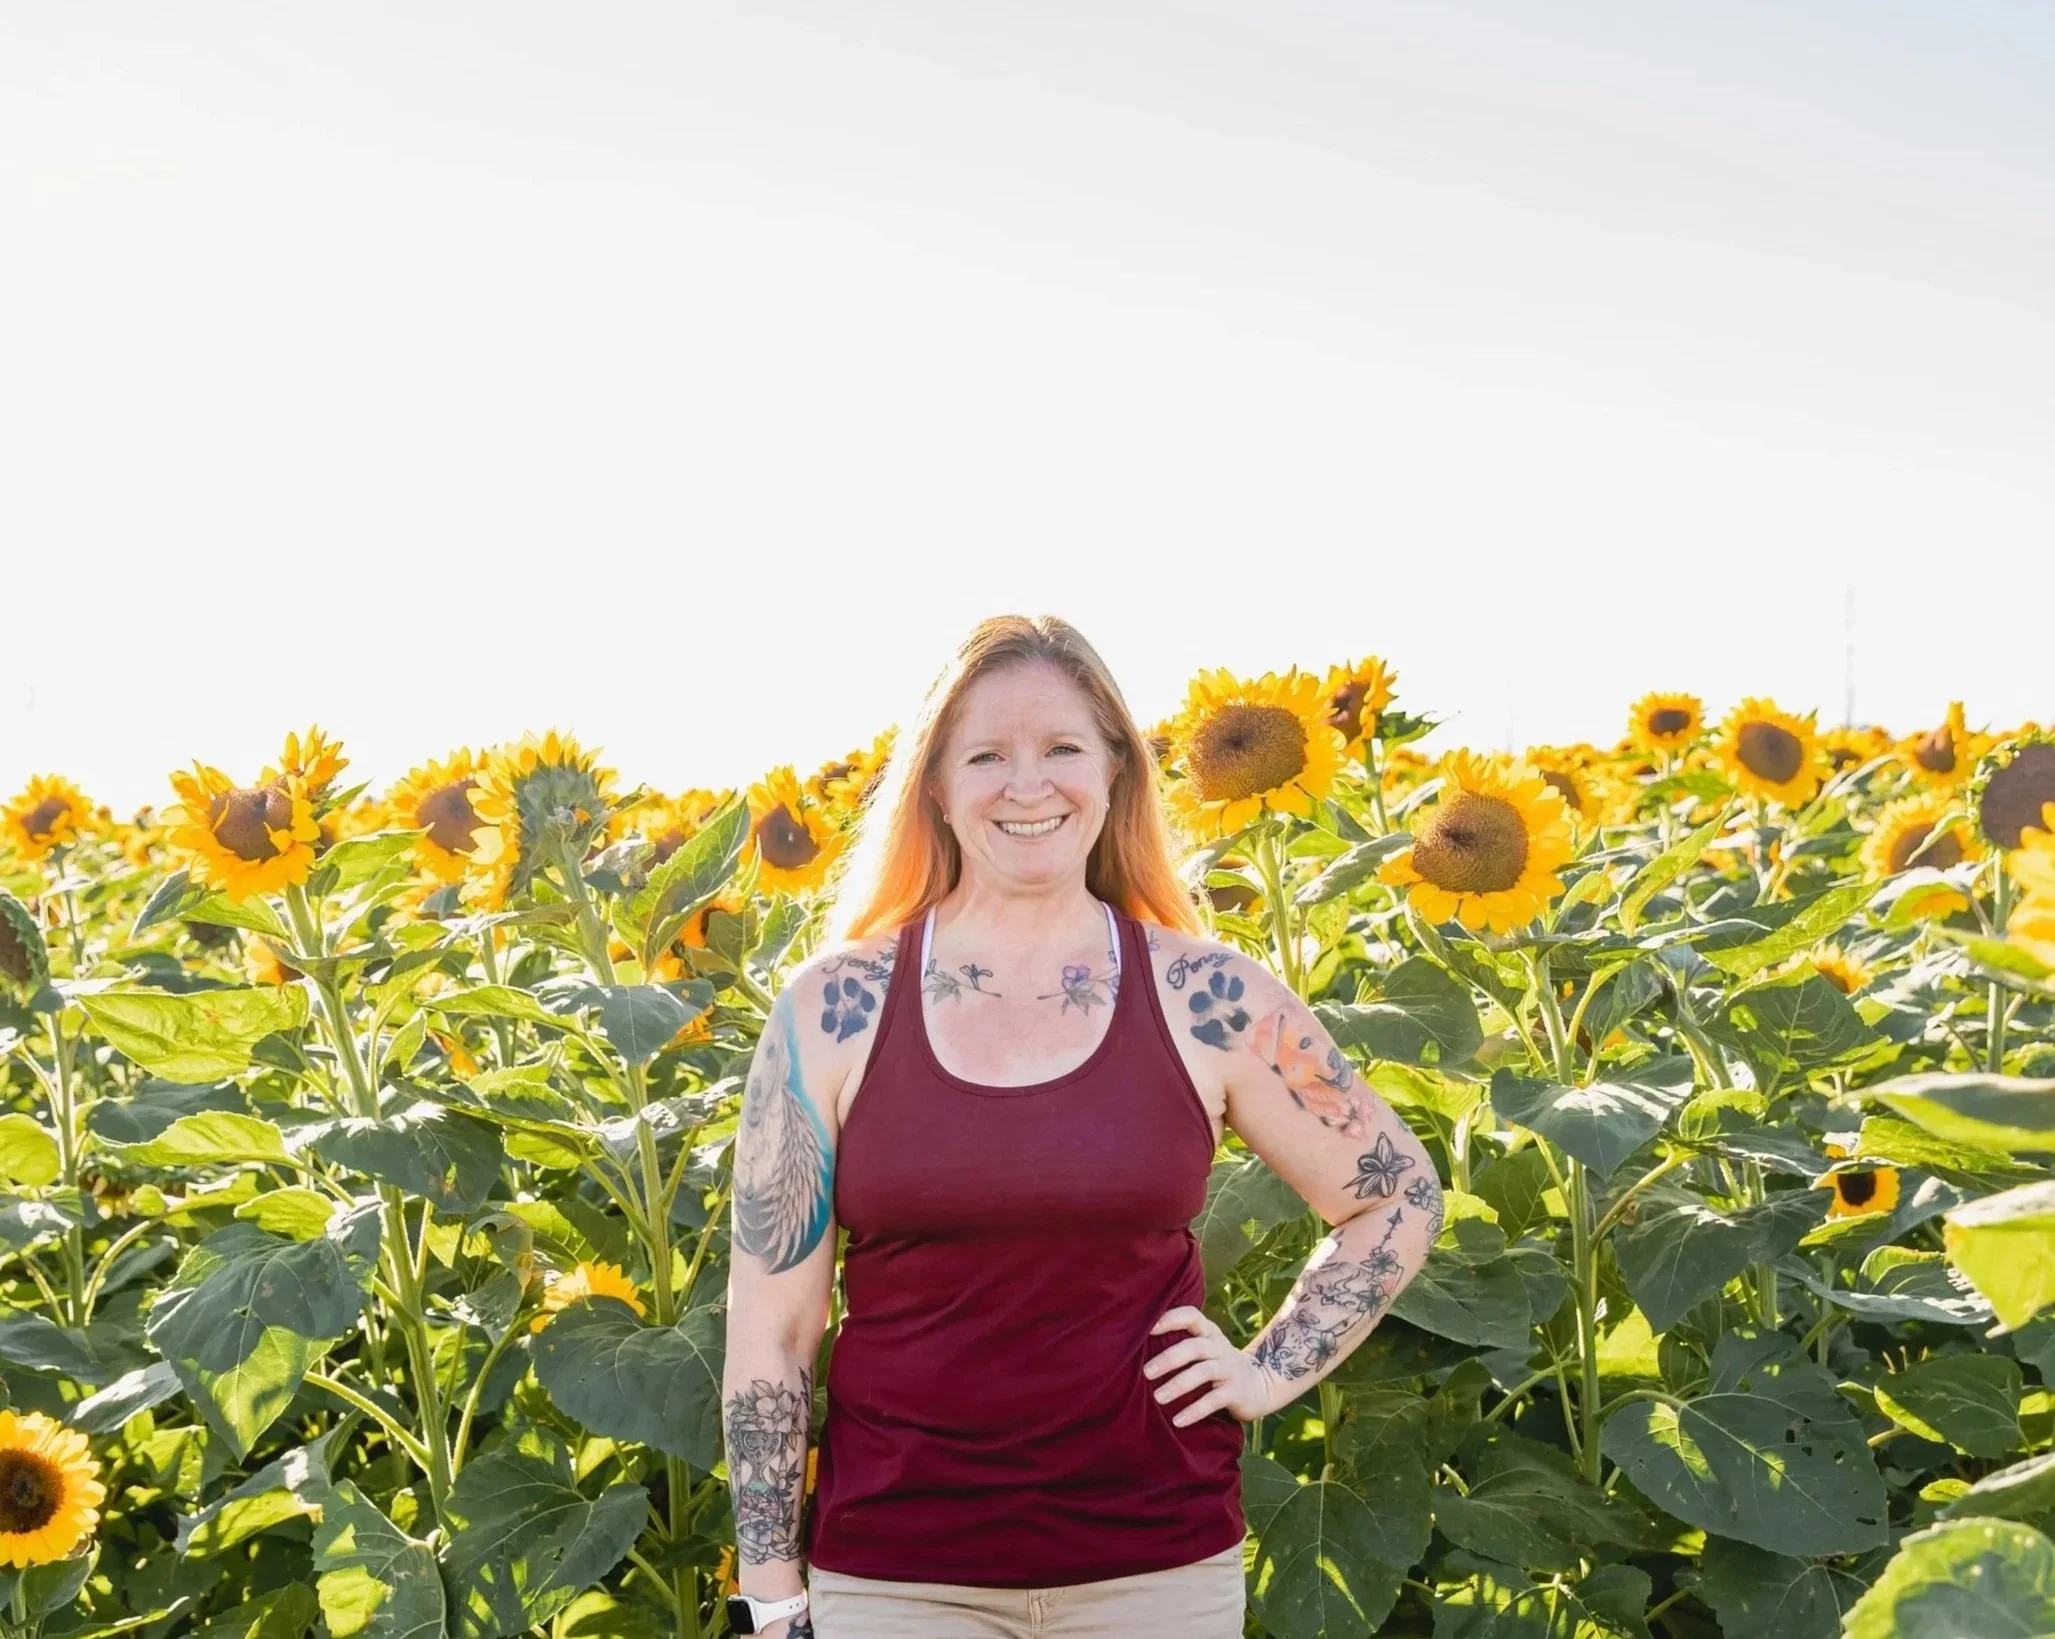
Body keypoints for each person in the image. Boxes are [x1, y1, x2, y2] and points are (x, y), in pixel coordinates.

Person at [720, 615, 1440, 1638]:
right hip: (897, 1576)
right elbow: (775, 1328)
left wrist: (1267, 1367)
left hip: (1156, 1569)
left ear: (1116, 772)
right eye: (986, 755)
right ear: (935, 784)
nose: (1027, 784)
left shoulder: (1208, 997)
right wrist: (772, 1594)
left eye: (1061, 748)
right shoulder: (832, 1011)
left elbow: (1396, 1194)